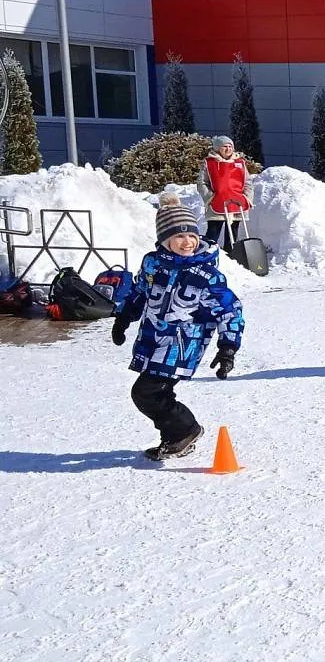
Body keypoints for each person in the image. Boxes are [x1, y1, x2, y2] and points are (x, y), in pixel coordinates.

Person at [112, 194, 244, 461]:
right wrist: (124, 317)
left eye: (192, 235)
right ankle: (173, 438)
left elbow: (229, 310)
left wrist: (228, 347)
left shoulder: (206, 275)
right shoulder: (153, 264)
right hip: (152, 340)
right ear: (164, 239)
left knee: (147, 392)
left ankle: (185, 430)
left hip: (182, 346)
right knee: (156, 392)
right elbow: (140, 291)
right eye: (179, 236)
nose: (187, 242)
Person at [198, 135, 254, 248]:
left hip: (237, 202)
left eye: (230, 146)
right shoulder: (210, 163)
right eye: (224, 146)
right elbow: (202, 182)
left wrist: (247, 197)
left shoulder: (240, 163)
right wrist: (209, 197)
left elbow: (247, 182)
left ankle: (230, 252)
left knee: (233, 231)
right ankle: (208, 252)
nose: (228, 149)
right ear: (217, 148)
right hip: (217, 201)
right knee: (213, 231)